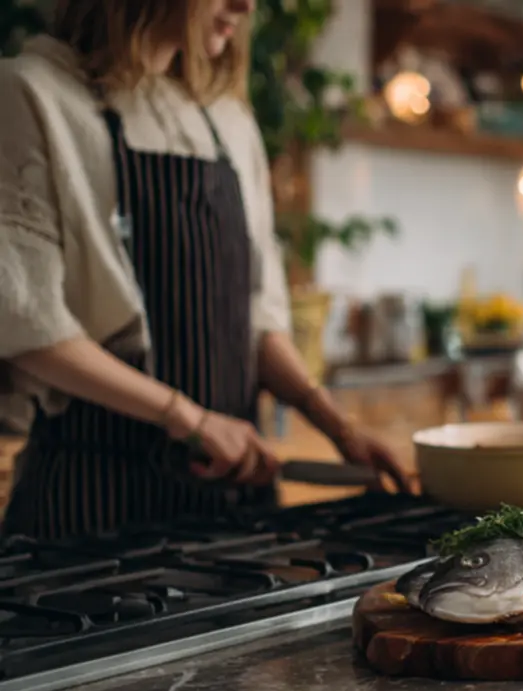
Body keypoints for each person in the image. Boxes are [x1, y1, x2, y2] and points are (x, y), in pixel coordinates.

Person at [0, 0, 410, 540]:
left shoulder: (226, 120)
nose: (244, 6)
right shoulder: (33, 94)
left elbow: (258, 327)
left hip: (236, 515)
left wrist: (338, 425)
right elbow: (30, 327)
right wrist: (189, 420)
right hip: (91, 509)